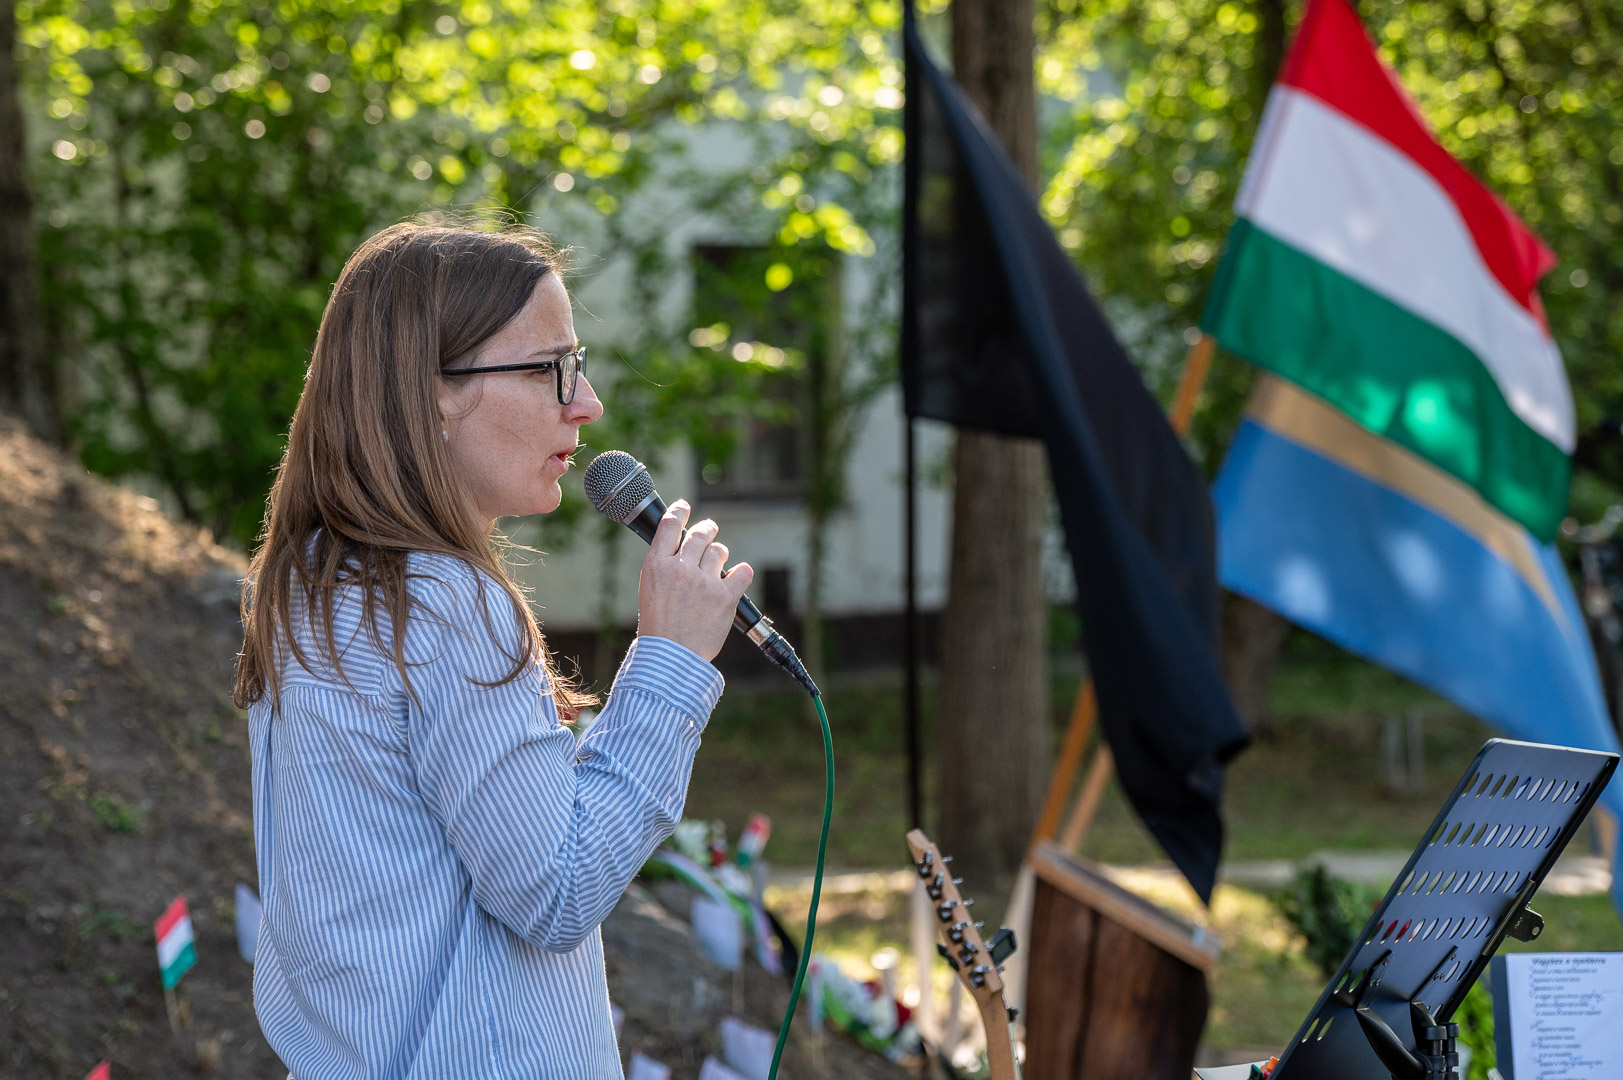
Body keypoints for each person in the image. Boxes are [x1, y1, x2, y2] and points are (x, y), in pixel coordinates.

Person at [232, 220, 753, 1079]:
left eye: (577, 365)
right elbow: (558, 891)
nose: (586, 404)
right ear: (430, 390)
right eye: (549, 369)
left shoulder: (310, 583)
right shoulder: (442, 601)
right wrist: (670, 661)